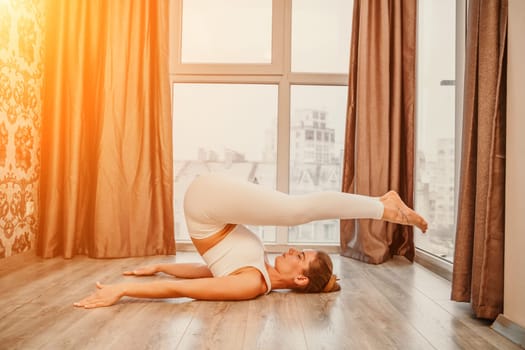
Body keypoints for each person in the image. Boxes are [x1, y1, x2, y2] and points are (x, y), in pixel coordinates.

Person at [74, 173, 427, 309]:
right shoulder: (255, 271)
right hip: (211, 204)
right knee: (291, 209)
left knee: (293, 211)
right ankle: (381, 206)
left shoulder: (250, 284)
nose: (291, 249)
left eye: (299, 255)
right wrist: (161, 266)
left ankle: (382, 206)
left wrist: (121, 290)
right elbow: (209, 269)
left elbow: (187, 291)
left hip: (205, 206)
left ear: (300, 278)